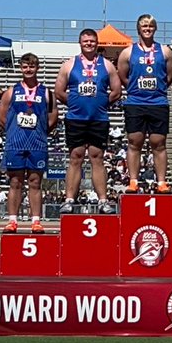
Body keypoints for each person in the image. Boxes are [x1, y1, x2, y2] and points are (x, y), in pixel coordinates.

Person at [55, 29, 121, 215]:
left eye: (92, 41)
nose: (89, 44)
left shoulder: (107, 65)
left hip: (98, 118)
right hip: (76, 118)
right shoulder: (69, 65)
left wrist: (101, 103)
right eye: (86, 41)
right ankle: (69, 199)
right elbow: (59, 91)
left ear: (97, 43)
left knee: (97, 157)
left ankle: (102, 201)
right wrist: (75, 103)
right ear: (80, 43)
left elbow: (116, 91)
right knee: (75, 157)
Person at [0, 53, 58, 233]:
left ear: (37, 68)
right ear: (20, 68)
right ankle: (12, 221)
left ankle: (36, 221)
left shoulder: (46, 92)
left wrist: (41, 129)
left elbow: (53, 115)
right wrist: (12, 131)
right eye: (25, 66)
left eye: (32, 66)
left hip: (37, 144)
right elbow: (2, 115)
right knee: (15, 182)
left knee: (35, 182)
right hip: (15, 144)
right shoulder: (12, 91)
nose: (28, 70)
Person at [117, 14, 172, 193]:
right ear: (138, 29)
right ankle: (133, 180)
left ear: (155, 28)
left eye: (150, 26)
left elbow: (170, 75)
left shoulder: (165, 51)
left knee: (159, 142)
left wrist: (158, 88)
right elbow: (123, 75)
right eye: (144, 26)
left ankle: (161, 182)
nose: (147, 29)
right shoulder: (128, 52)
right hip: (135, 101)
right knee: (135, 141)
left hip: (158, 102)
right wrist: (135, 88)